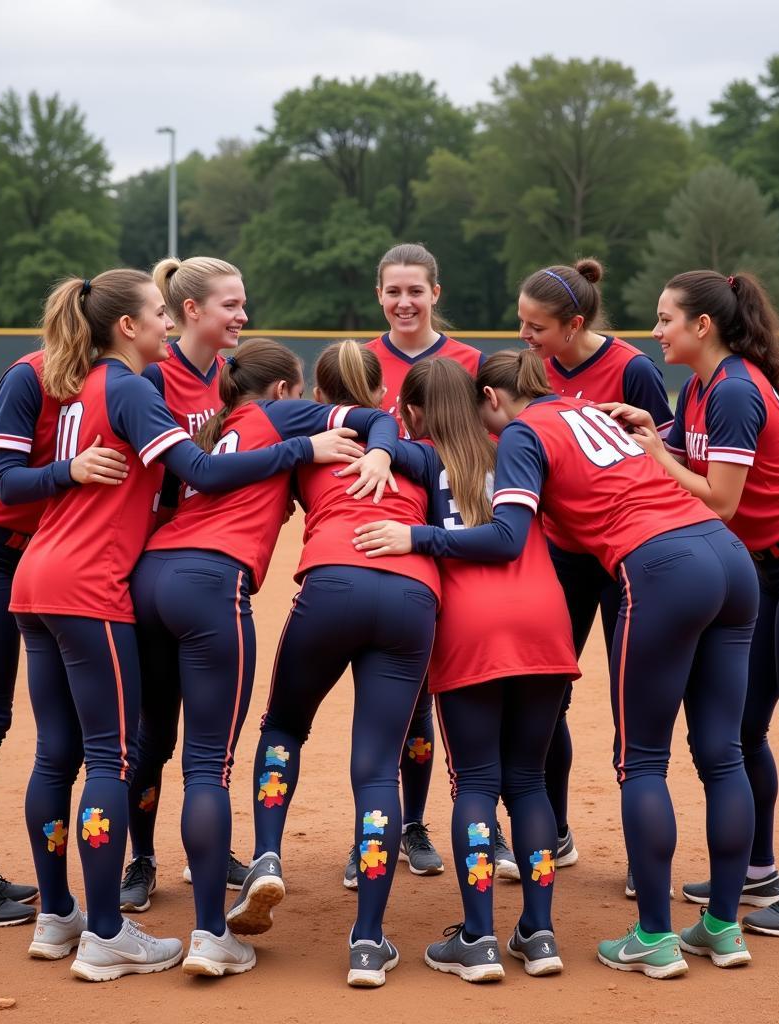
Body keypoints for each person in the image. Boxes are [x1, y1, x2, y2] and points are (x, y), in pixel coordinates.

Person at [355, 349, 760, 979]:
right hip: (717, 555)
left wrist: (406, 505)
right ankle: (715, 928)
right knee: (716, 752)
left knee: (566, 772)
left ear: (489, 399)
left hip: (614, 583)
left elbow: (504, 531)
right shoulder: (587, 411)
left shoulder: (504, 440)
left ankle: (547, 936)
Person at [10, 269, 365, 981]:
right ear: (127, 327)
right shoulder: (133, 387)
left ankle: (58, 917)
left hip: (41, 577)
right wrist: (301, 449)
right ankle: (120, 932)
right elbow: (198, 471)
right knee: (130, 761)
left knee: (57, 755)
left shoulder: (78, 385)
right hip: (92, 584)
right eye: (157, 315)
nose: (168, 326)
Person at [604, 270, 779, 937]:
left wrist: (653, 457)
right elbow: (690, 455)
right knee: (739, 729)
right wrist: (654, 432)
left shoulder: (732, 389)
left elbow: (720, 499)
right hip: (768, 570)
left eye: (665, 319)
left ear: (703, 326)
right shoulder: (699, 386)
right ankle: (758, 870)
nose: (655, 330)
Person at [131, 338, 397, 977]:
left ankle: (135, 874)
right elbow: (373, 418)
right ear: (283, 389)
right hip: (210, 583)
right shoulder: (283, 415)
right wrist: (382, 448)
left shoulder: (221, 429)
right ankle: (206, 934)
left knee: (147, 743)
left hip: (149, 577)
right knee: (207, 765)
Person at [226, 340, 437, 988]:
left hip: (332, 585)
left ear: (318, 398)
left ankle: (265, 855)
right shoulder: (420, 455)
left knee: (284, 727)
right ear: (385, 398)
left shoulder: (313, 444)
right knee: (377, 771)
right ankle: (369, 944)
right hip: (411, 594)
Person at [389, 358, 580, 982]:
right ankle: (541, 933)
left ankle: (478, 938)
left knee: (475, 782)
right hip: (545, 619)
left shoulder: (421, 455)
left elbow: (377, 433)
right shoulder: (517, 445)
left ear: (416, 412)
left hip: (472, 626)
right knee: (527, 781)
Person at [0, 348, 128, 927]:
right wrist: (73, 470)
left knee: (1, 721)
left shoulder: (107, 383)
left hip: (27, 559)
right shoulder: (30, 375)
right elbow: (9, 484)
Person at [349, 242, 505, 886]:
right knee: (394, 698)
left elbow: (498, 442)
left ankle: (460, 824)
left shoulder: (468, 363)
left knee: (467, 686)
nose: (404, 302)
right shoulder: (361, 361)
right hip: (385, 544)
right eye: (393, 291)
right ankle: (389, 827)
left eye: (415, 290)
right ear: (379, 295)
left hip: (457, 539)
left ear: (436, 292)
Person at [518, 257, 674, 893]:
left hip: (623, 554)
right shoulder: (533, 369)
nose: (526, 338)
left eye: (537, 327)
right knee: (548, 689)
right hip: (560, 551)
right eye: (522, 324)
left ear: (574, 323)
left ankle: (642, 857)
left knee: (629, 699)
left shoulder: (631, 368)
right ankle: (552, 829)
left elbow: (668, 454)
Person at [122, 255, 250, 910]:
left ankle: (208, 847)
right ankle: (139, 857)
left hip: (203, 564)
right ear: (192, 310)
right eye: (230, 304)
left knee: (207, 736)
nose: (242, 316)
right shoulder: (153, 377)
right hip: (144, 566)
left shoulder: (230, 380)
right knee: (154, 733)